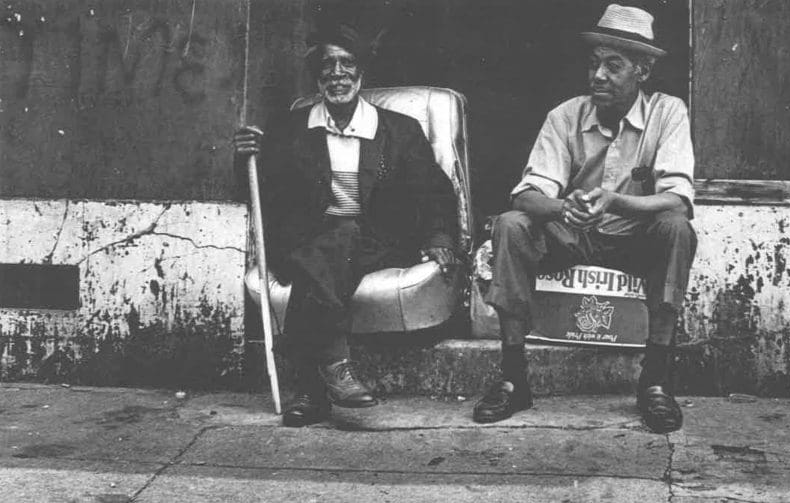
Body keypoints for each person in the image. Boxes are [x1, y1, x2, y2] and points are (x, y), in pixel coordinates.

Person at [474, 4, 698, 433]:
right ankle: (512, 376)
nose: (598, 76)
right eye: (594, 64)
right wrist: (565, 208)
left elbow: (677, 201)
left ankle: (655, 382)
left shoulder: (668, 112)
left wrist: (614, 201)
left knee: (676, 230)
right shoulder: (565, 115)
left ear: (643, 70)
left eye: (614, 66)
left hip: (635, 241)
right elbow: (527, 195)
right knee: (510, 224)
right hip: (572, 236)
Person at [234, 24, 460, 427]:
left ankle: (310, 390)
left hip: (376, 240)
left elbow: (436, 191)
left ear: (361, 73)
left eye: (347, 63)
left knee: (332, 249)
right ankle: (336, 368)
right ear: (317, 76)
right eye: (327, 65)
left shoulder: (399, 131)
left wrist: (440, 237)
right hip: (310, 241)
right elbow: (261, 190)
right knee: (324, 252)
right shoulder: (292, 129)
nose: (337, 73)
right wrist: (245, 156)